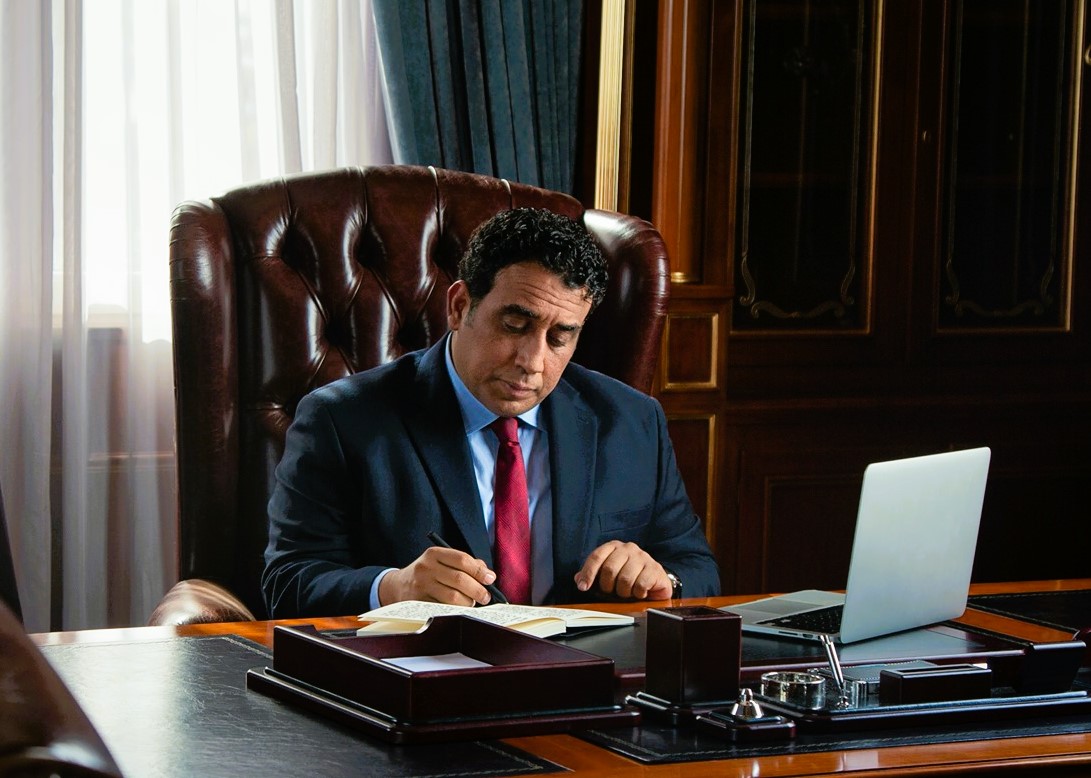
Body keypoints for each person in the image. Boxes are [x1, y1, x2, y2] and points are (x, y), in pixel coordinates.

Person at [262, 207, 719, 617]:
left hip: (588, 673)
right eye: (515, 325)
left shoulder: (632, 421)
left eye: (560, 337)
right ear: (459, 306)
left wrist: (662, 579)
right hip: (426, 674)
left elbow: (697, 567)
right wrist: (392, 588)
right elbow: (287, 582)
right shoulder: (341, 421)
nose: (532, 361)